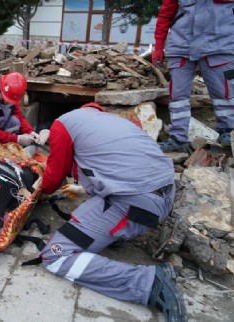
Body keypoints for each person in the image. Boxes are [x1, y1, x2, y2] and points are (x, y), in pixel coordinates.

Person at [38, 103, 186, 322]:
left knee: (55, 255)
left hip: (138, 203)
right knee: (98, 212)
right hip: (165, 193)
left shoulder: (62, 125)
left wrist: (37, 190)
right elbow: (115, 164)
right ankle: (114, 235)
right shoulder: (112, 121)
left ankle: (147, 282)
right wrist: (83, 188)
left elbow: (52, 180)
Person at [153, 0, 234, 152]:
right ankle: (178, 139)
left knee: (224, 93)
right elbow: (166, 13)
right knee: (177, 96)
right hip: (181, 46)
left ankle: (228, 133)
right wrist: (159, 45)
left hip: (219, 46)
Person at [0, 72, 41, 147]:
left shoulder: (12, 94)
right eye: (5, 98)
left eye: (10, 100)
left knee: (15, 121)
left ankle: (8, 145)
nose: (6, 102)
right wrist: (16, 139)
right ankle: (4, 145)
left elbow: (18, 116)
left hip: (0, 127)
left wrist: (30, 131)